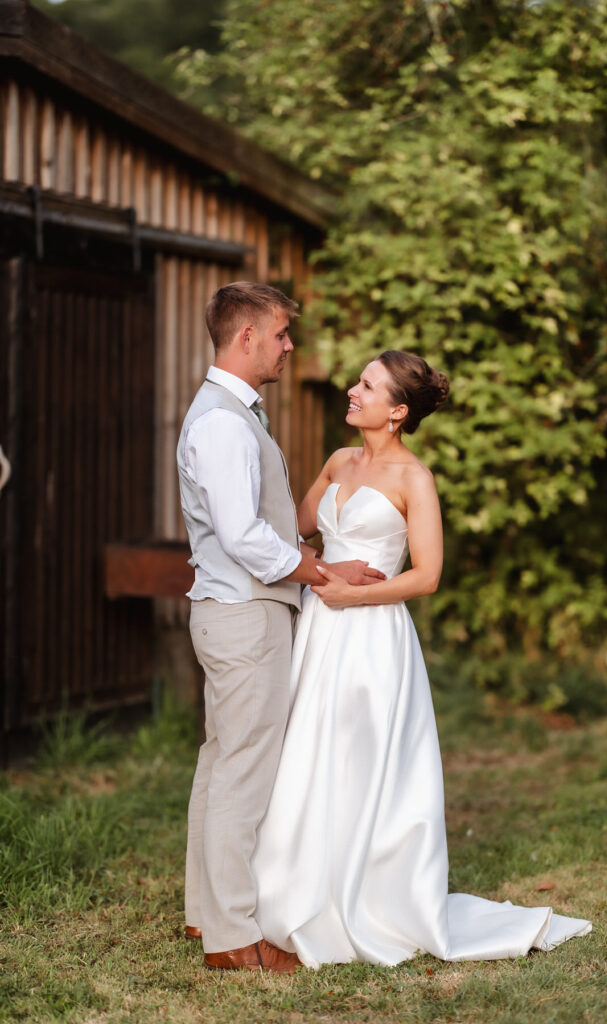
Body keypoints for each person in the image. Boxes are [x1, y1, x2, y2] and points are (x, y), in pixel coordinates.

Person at [253, 350, 592, 967]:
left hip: (372, 637)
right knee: (308, 754)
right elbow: (294, 533)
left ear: (398, 411)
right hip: (319, 633)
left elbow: (428, 576)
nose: (353, 391)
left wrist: (355, 594)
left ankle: (369, 896)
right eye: (358, 381)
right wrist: (321, 571)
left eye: (367, 386)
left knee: (363, 759)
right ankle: (298, 886)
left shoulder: (415, 478)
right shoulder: (337, 461)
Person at [176, 282, 384, 974]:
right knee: (244, 770)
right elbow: (243, 536)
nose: (289, 346)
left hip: (234, 611)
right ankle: (234, 939)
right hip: (244, 614)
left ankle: (205, 915)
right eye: (281, 334)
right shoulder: (222, 423)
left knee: (221, 761)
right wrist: (322, 571)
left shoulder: (234, 417)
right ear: (245, 338)